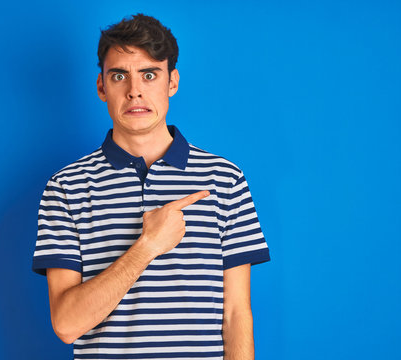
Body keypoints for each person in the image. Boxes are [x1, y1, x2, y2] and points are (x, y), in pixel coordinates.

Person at [32, 13, 270, 360]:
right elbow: (67, 325)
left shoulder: (224, 179)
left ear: (171, 82)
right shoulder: (66, 187)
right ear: (101, 87)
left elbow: (236, 315)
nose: (135, 91)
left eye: (149, 74)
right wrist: (147, 246)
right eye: (119, 76)